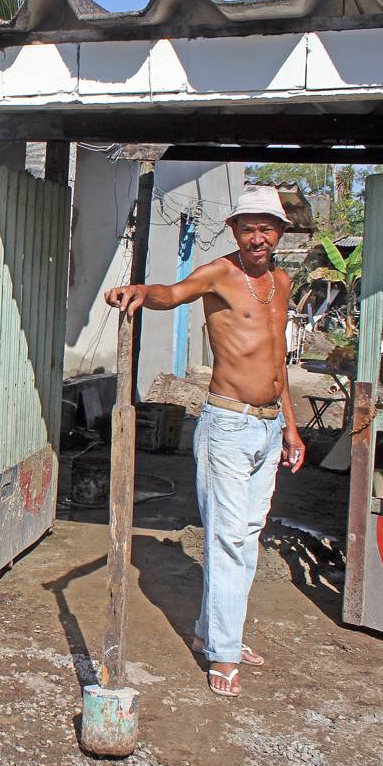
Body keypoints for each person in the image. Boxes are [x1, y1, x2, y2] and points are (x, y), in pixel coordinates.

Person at [104, 184, 305, 699]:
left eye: (267, 227)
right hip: (229, 425)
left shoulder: (282, 282)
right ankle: (223, 653)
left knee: (248, 535)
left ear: (280, 232)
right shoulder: (219, 273)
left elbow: (277, 362)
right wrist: (144, 292)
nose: (257, 237)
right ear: (235, 230)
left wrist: (290, 426)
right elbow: (174, 293)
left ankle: (215, 633)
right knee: (227, 538)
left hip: (266, 426)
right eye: (248, 227)